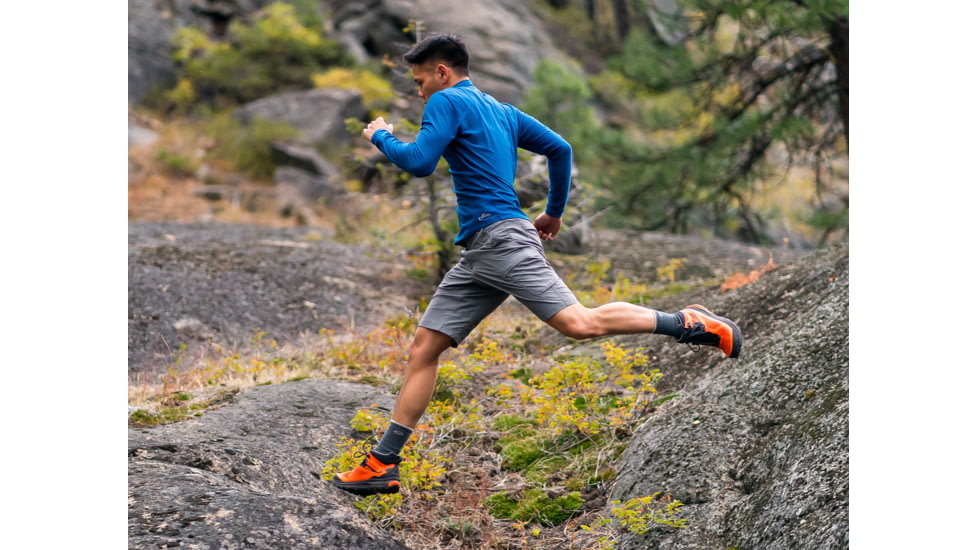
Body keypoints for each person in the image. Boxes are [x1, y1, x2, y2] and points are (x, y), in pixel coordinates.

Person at [332, 33, 742, 496]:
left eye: (420, 80)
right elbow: (560, 149)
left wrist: (381, 136)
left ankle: (687, 324)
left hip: (500, 242)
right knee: (423, 350)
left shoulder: (446, 101)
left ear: (442, 73)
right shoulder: (502, 111)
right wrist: (554, 212)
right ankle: (383, 463)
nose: (419, 90)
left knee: (580, 324)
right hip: (482, 251)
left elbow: (420, 162)